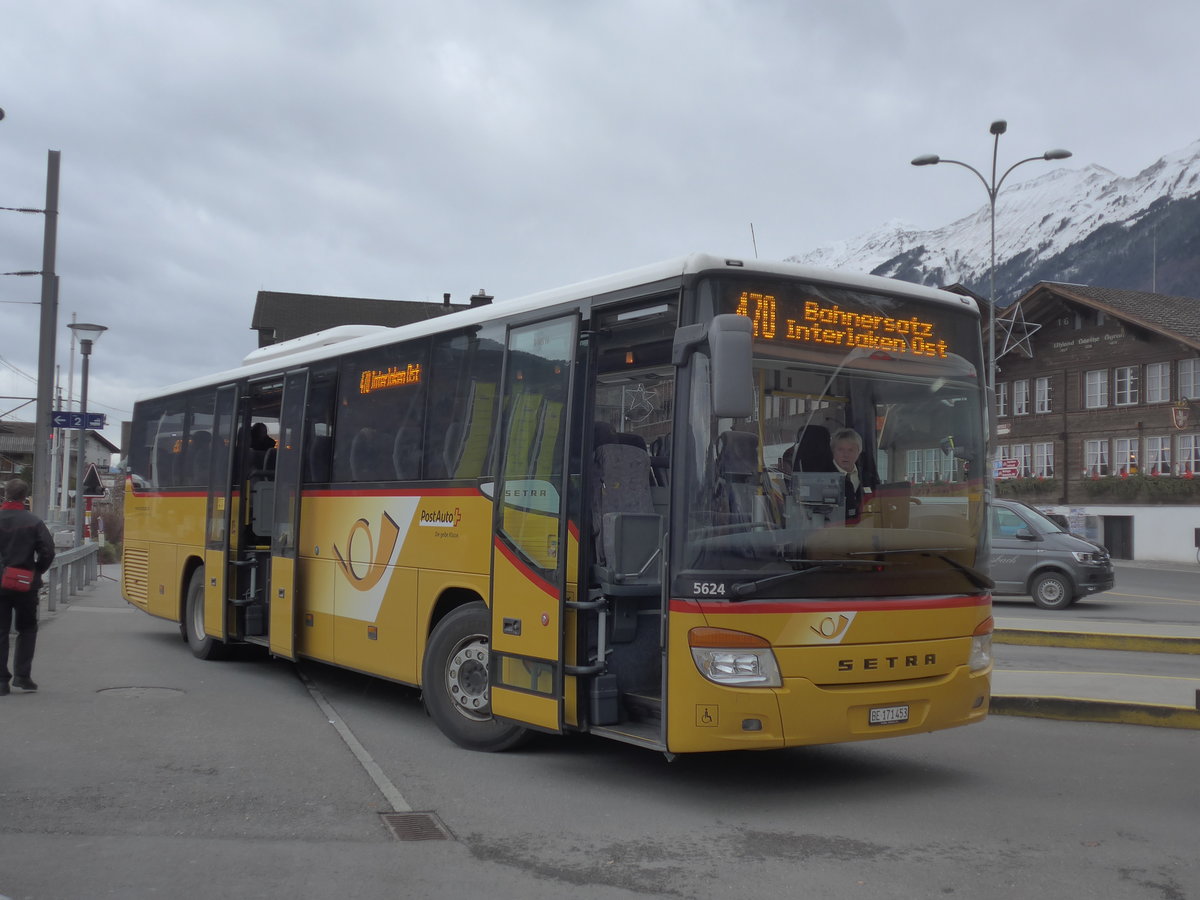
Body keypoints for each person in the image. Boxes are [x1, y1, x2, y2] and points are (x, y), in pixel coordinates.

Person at [0, 478, 55, 695]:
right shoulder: (33, 521)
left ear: (5, 494)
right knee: (27, 628)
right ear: (25, 497)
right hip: (25, 582)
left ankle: (1, 682)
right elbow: (48, 552)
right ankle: (22, 676)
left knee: (1, 631)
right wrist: (36, 571)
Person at [830, 427, 865, 523]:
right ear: (833, 451)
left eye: (851, 450)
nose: (845, 455)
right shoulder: (824, 477)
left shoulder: (868, 477)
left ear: (858, 452)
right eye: (840, 450)